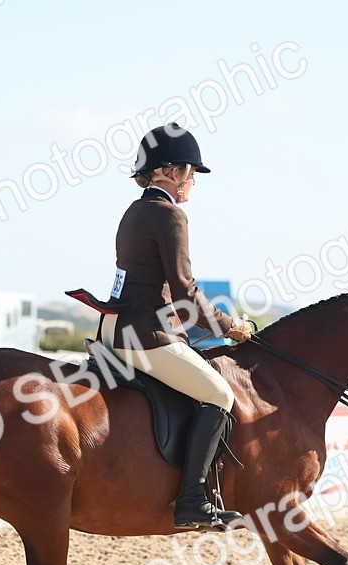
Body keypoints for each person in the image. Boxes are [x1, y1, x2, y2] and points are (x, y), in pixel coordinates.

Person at [95, 123, 253, 531]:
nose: (194, 181)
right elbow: (185, 293)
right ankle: (192, 500)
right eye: (192, 172)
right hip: (145, 336)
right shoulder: (170, 215)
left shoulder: (134, 211)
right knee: (220, 394)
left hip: (112, 329)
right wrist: (231, 326)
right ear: (173, 171)